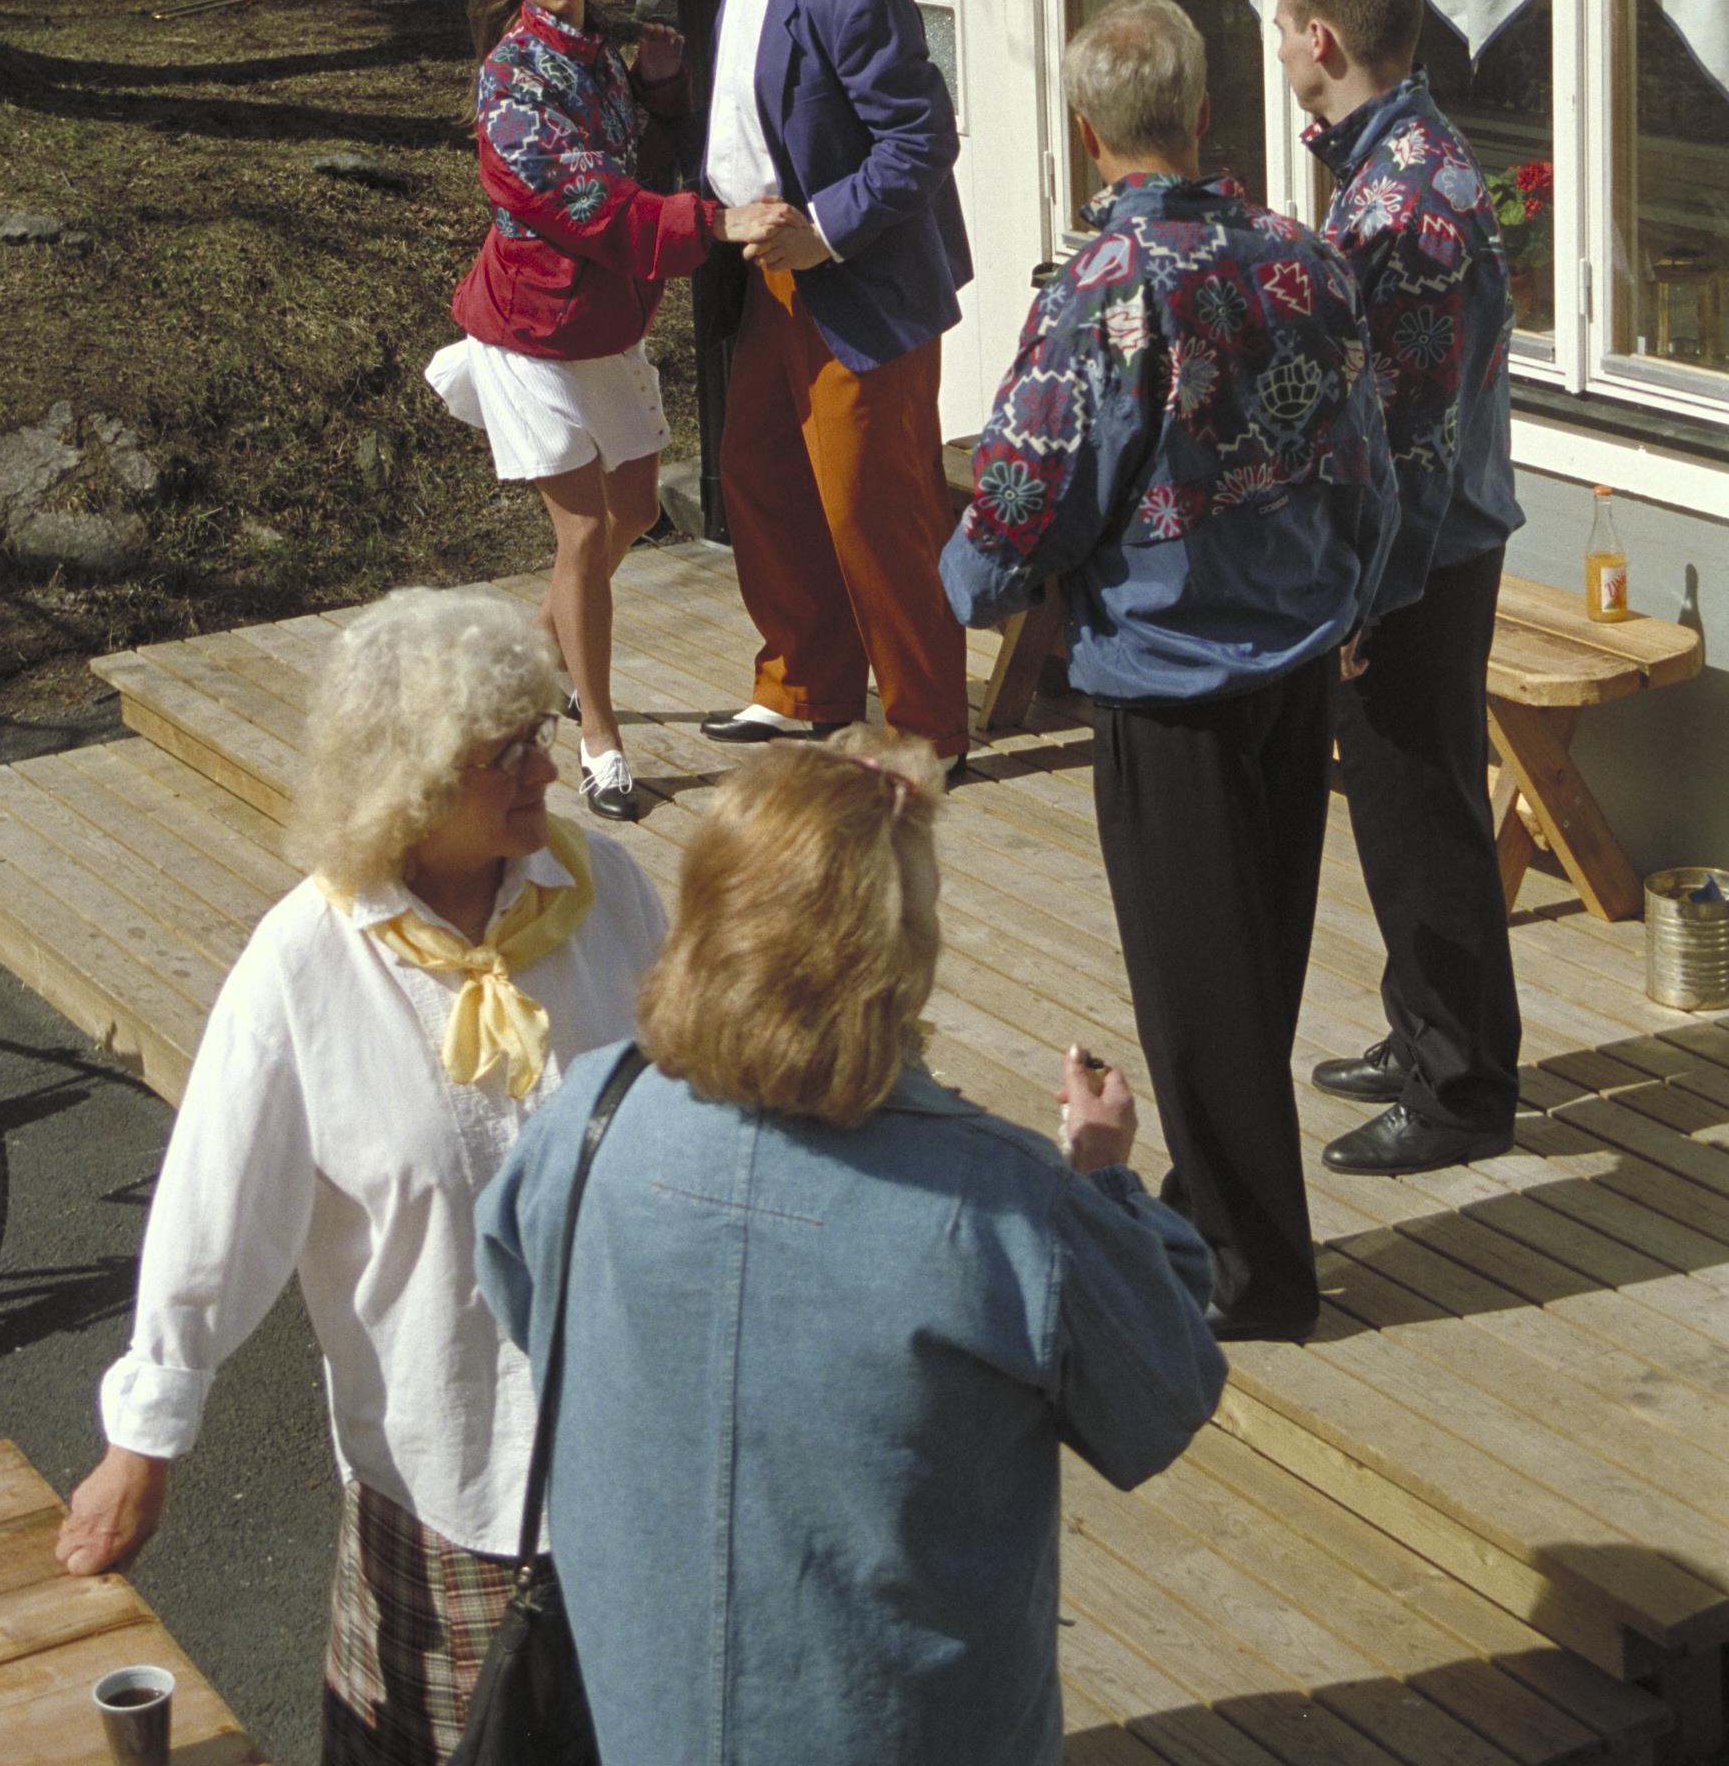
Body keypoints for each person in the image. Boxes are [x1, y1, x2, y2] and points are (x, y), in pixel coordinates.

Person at [476, 733, 1225, 1766]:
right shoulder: (1004, 1202)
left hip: (642, 1705)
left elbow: (528, 1304)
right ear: (899, 951)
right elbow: (1159, 1393)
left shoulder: (589, 1115)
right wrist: (1103, 1179)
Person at [55, 585, 667, 1766]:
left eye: (540, 733)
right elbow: (216, 1212)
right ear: (412, 781)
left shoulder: (608, 899)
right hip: (452, 1494)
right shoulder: (306, 965)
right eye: (506, 752)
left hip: (640, 1467)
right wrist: (143, 1446)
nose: (545, 768)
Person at [943, 0, 1396, 1341]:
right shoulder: (1304, 256)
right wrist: (1356, 591)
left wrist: (962, 589)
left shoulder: (1100, 288)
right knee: (1254, 961)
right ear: (1201, 112)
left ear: (1089, 133)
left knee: (1196, 991)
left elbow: (1031, 482)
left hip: (1166, 675)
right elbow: (1365, 460)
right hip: (1294, 661)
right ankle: (1211, 1205)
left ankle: (1253, 1279)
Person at [426, 0, 777, 819]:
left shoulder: (598, 58)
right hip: (530, 329)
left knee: (634, 508)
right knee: (581, 533)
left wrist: (658, 93)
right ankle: (600, 741)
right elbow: (589, 203)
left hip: (606, 322)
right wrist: (716, 222)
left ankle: (534, 661)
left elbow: (635, 168)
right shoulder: (510, 79)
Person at [1270, 0, 1524, 1175]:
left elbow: (1409, 447)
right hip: (1425, 547)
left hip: (1415, 561)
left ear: (1320, 39)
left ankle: (1458, 1089)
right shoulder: (1390, 154)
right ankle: (1426, 1026)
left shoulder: (1402, 204)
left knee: (1420, 817)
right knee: (1407, 813)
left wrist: (1363, 603)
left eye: (1279, 28)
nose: (1275, 49)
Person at [658, 0, 973, 767]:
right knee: (759, 477)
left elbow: (919, 142)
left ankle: (926, 726)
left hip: (857, 285)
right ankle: (804, 686)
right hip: (767, 283)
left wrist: (823, 234)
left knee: (875, 511)